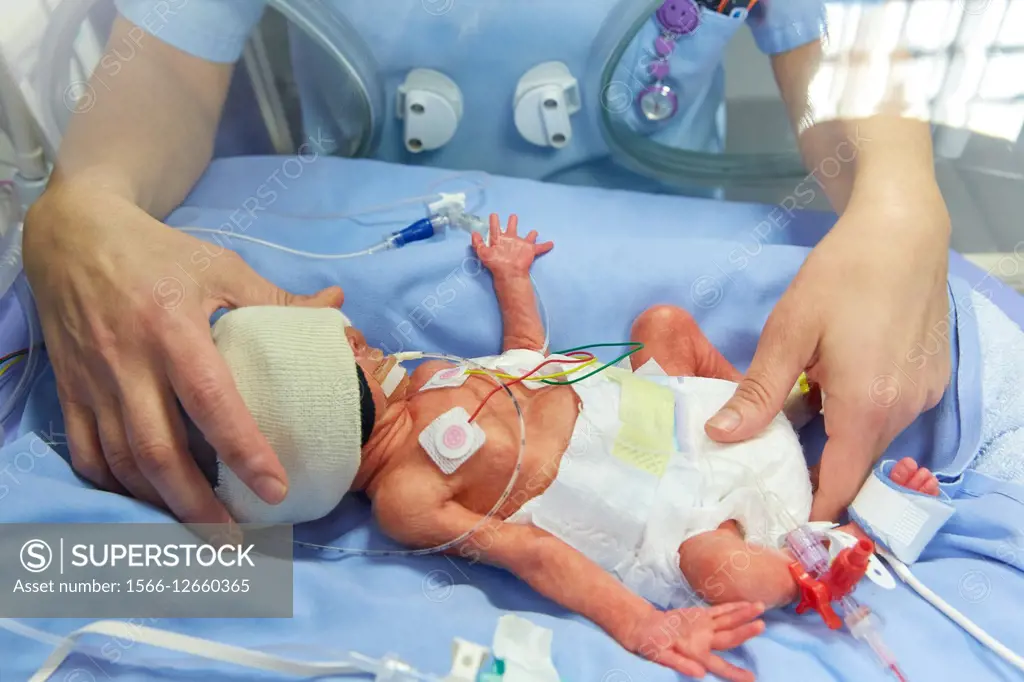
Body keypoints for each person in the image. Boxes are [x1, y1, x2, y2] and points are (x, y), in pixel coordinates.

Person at [22, 0, 952, 526]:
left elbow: (856, 45)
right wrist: (89, 199)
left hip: (672, 254)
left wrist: (901, 199)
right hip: (367, 227)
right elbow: (164, 68)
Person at [192, 214, 947, 681]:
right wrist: (646, 628)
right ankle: (830, 536)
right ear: (331, 408)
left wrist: (512, 277)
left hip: (690, 418)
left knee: (663, 327)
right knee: (722, 573)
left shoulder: (429, 380)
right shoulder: (406, 497)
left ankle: (785, 407)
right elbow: (535, 554)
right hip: (674, 516)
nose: (363, 338)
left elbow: (528, 358)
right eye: (353, 348)